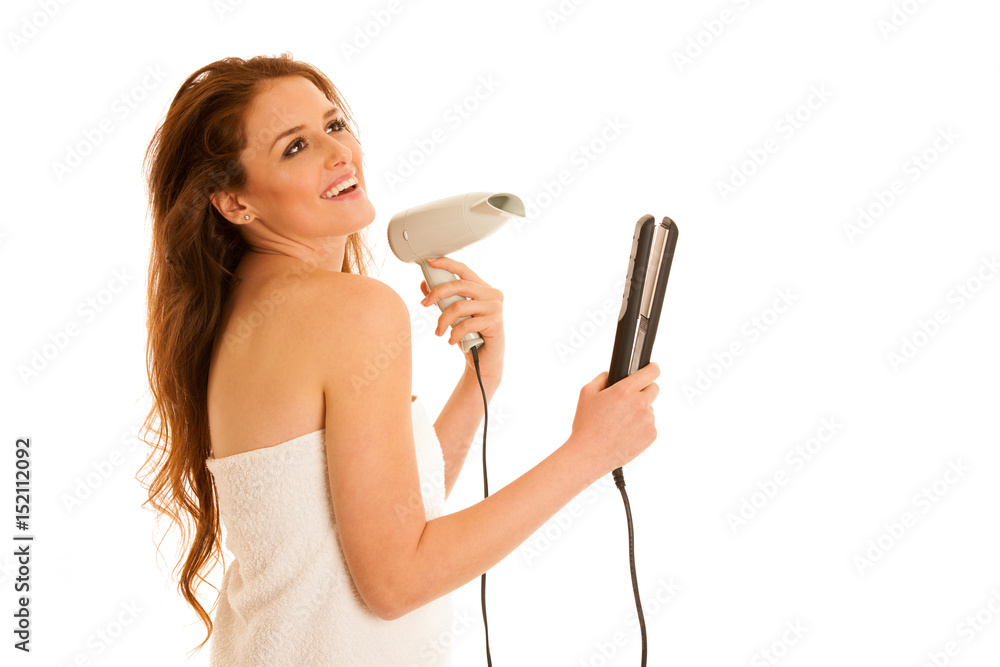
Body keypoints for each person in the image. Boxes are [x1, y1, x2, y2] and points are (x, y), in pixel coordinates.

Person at [138, 52, 661, 666]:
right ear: (235, 203)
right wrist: (590, 453)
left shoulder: (243, 308)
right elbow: (395, 583)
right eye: (294, 147)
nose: (339, 154)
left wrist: (480, 379)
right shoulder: (350, 309)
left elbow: (382, 513)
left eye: (333, 126)